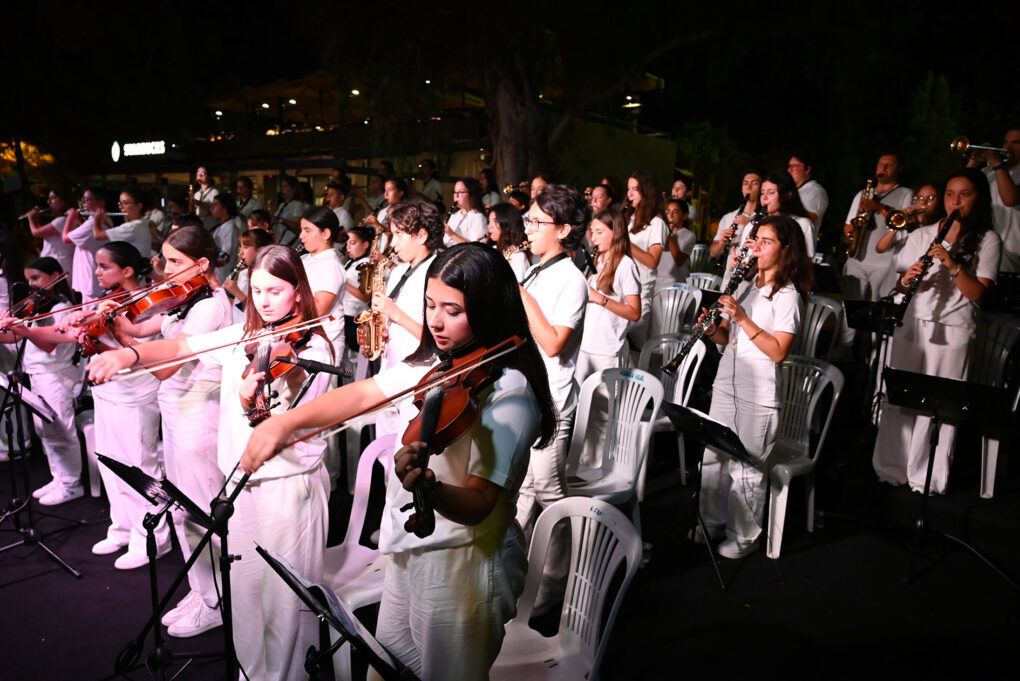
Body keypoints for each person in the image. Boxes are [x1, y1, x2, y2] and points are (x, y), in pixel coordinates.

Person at [239, 243, 556, 681]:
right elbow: (364, 393)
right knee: (387, 666)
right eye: (430, 305)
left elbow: (482, 501)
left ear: (488, 310)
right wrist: (283, 424)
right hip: (413, 551)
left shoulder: (510, 394)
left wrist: (431, 488)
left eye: (453, 310)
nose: (436, 322)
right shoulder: (443, 365)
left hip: (465, 565)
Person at [87, 245, 335, 680]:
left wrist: (257, 396)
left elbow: (283, 418)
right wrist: (129, 355)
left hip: (288, 491)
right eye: (257, 290)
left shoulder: (314, 350)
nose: (264, 300)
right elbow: (181, 345)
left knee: (285, 604)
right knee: (244, 594)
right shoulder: (243, 336)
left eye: (275, 291)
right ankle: (250, 673)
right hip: (239, 487)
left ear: (298, 293)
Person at [106, 226, 233, 636]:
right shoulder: (186, 298)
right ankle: (203, 589)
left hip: (198, 417)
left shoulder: (209, 306)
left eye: (176, 262)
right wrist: (112, 323)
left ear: (201, 265)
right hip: (177, 413)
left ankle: (216, 601)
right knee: (182, 509)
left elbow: (165, 364)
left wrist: (126, 356)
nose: (166, 271)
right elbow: (144, 331)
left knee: (197, 511)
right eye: (164, 260)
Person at [872, 169, 1001, 494]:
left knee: (939, 408)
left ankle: (926, 478)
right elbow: (901, 282)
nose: (955, 201)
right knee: (901, 400)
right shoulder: (924, 233)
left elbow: (976, 293)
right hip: (914, 324)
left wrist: (952, 264)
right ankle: (891, 468)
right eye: (950, 194)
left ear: (979, 198)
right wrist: (910, 275)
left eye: (965, 194)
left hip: (953, 329)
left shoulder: (987, 239)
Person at [695, 215, 811, 558]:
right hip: (726, 384)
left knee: (745, 467)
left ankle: (744, 536)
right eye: (755, 239)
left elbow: (778, 351)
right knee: (713, 457)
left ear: (786, 250)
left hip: (759, 394)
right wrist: (712, 329)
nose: (755, 246)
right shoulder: (745, 285)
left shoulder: (788, 296)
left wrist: (743, 317)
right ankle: (710, 521)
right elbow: (729, 338)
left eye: (766, 241)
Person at [67, 242, 167, 569]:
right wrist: (90, 334)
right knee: (110, 462)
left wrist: (115, 331)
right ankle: (122, 527)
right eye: (96, 266)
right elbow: (105, 344)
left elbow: (145, 352)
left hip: (136, 391)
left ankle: (152, 539)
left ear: (126, 270)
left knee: (139, 465)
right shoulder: (108, 300)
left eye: (104, 267)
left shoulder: (152, 303)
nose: (96, 273)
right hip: (108, 388)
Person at [516, 184, 589, 537]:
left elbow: (554, 344)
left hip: (552, 402)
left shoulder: (572, 279)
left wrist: (520, 295)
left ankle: (564, 579)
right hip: (527, 394)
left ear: (562, 230)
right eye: (528, 219)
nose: (527, 227)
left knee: (549, 492)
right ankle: (527, 577)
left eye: (536, 221)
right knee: (523, 489)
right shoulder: (536, 270)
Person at [0, 258, 81, 504]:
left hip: (55, 376)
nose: (31, 285)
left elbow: (47, 345)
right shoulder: (39, 307)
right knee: (45, 431)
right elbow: (16, 339)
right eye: (28, 280)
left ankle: (71, 484)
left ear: (56, 275)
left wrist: (23, 329)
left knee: (61, 431)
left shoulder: (62, 307)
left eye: (36, 278)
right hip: (38, 374)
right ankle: (59, 477)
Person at [624, 169, 668, 349]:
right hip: (620, 289)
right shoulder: (628, 217)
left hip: (640, 292)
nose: (630, 194)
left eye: (635, 189)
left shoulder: (657, 223)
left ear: (647, 192)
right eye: (628, 189)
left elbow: (652, 261)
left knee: (635, 348)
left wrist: (624, 242)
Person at [966, 127, 1020, 272]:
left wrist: (997, 164)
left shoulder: (998, 168)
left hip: (1012, 249)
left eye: (1015, 143)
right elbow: (963, 188)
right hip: (984, 244)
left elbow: (1010, 199)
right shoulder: (988, 171)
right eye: (1005, 142)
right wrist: (973, 163)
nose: (1008, 147)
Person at [298, 207, 347, 358]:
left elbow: (318, 310)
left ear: (325, 233)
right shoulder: (304, 259)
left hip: (323, 342)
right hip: (304, 339)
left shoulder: (330, 265)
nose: (301, 236)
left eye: (307, 230)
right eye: (301, 230)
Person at [64, 187, 113, 302]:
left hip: (91, 279)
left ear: (101, 202)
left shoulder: (92, 223)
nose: (83, 203)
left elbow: (65, 238)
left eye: (87, 200)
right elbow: (86, 236)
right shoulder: (102, 219)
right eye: (83, 200)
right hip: (94, 275)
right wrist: (78, 220)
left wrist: (70, 218)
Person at [875, 183, 944, 255]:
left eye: (930, 198)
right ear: (915, 201)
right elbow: (880, 248)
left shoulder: (939, 226)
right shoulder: (906, 224)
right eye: (920, 198)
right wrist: (897, 225)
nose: (923, 202)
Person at [223, 228, 275, 322]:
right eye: (241, 247)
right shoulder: (243, 273)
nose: (241, 252)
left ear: (260, 251)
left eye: (246, 247)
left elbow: (260, 312)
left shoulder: (270, 276)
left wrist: (237, 293)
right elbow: (237, 306)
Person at [25, 188, 74, 277]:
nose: (48, 201)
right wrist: (36, 220)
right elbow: (42, 230)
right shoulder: (63, 220)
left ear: (63, 201)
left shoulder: (62, 220)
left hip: (60, 264)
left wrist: (31, 219)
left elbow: (36, 232)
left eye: (53, 198)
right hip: (57, 263)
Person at [788, 151, 829, 237]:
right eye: (789, 166)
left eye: (794, 166)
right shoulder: (795, 191)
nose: (789, 170)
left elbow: (809, 219)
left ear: (807, 169)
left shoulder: (815, 191)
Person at [659, 198, 697, 288]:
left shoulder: (689, 235)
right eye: (667, 212)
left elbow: (679, 259)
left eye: (676, 212)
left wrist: (668, 234)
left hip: (675, 282)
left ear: (685, 215)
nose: (670, 215)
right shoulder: (660, 231)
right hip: (657, 279)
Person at [487, 203, 530, 282]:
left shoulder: (518, 256)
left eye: (495, 221)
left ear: (508, 224)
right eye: (489, 222)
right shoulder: (492, 250)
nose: (489, 226)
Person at [445, 178, 488, 245]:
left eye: (461, 192)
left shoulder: (478, 218)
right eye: (455, 192)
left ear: (471, 194)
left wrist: (452, 234)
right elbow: (445, 241)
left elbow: (476, 247)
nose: (456, 196)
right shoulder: (454, 216)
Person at [209, 193, 242, 282]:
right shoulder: (221, 226)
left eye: (216, 205)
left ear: (225, 208)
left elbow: (224, 257)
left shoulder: (230, 227)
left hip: (223, 277)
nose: (212, 208)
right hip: (217, 275)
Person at [272, 175, 307, 246]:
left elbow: (297, 226)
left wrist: (281, 220)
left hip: (289, 243)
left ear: (293, 189)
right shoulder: (282, 205)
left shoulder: (297, 204)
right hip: (279, 242)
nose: (282, 190)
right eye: (281, 187)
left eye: (285, 187)